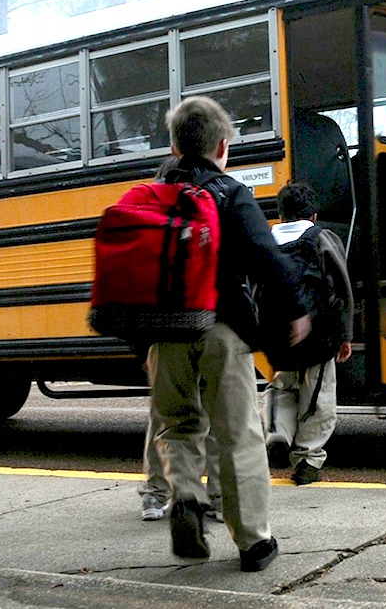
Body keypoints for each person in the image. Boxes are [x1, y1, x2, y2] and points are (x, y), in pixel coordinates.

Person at [147, 96, 308, 572]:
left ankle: (187, 500)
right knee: (238, 434)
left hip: (165, 333)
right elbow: (268, 258)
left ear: (174, 147)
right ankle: (254, 543)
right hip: (221, 328)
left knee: (176, 426)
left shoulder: (150, 198)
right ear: (223, 146)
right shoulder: (230, 193)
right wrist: (296, 311)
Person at [138, 156, 221, 524]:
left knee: (166, 421)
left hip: (163, 335)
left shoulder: (143, 219)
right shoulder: (211, 208)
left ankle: (156, 495)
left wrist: (144, 346)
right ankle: (218, 498)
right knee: (217, 417)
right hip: (209, 326)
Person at [263, 181, 354, 485]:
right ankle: (308, 460)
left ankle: (278, 432)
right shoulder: (323, 238)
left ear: (281, 213)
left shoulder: (265, 241)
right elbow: (342, 288)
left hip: (278, 337)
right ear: (314, 215)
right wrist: (345, 336)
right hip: (318, 335)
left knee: (282, 387)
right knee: (317, 395)